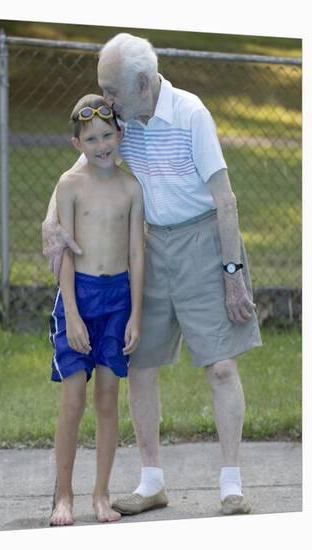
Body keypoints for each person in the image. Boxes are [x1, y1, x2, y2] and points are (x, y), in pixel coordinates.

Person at [43, 33, 262, 517]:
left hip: (205, 242)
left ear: (142, 83)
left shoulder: (190, 114)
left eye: (112, 90)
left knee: (222, 365)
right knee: (138, 364)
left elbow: (226, 199)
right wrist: (48, 220)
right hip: (148, 248)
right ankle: (151, 482)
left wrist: (232, 273)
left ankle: (231, 485)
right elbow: (77, 167)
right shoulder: (122, 117)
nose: (106, 100)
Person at [48, 93, 145, 526]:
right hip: (79, 297)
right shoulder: (70, 186)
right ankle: (62, 496)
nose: (102, 144)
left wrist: (136, 315)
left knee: (108, 400)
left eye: (108, 135)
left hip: (118, 301)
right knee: (73, 400)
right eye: (92, 138)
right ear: (77, 144)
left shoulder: (131, 189)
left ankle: (101, 494)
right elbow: (66, 253)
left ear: (120, 134)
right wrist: (70, 312)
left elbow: (137, 256)